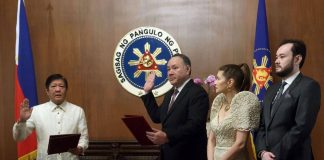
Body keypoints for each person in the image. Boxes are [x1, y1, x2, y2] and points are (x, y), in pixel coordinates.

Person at [255, 39, 321, 160]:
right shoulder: (271, 90)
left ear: (297, 59)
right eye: (276, 57)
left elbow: (301, 127)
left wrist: (275, 156)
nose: (276, 61)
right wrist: (262, 152)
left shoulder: (309, 87)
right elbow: (262, 125)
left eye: (282, 57)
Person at [141, 54, 209, 160]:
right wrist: (147, 92)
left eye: (175, 68)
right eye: (168, 69)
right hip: (169, 153)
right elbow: (157, 116)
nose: (170, 72)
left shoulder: (197, 92)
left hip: (188, 154)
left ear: (187, 69)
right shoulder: (170, 93)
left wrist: (168, 136)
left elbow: (195, 124)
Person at [13, 74, 89, 160]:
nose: (57, 89)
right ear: (47, 91)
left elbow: (84, 138)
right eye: (53, 86)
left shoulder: (78, 111)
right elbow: (19, 137)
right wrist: (22, 121)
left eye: (61, 86)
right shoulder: (36, 111)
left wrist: (80, 148)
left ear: (66, 90)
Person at [207, 63, 260, 160]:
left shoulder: (242, 103)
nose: (215, 82)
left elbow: (240, 143)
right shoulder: (218, 102)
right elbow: (211, 139)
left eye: (218, 79)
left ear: (230, 82)